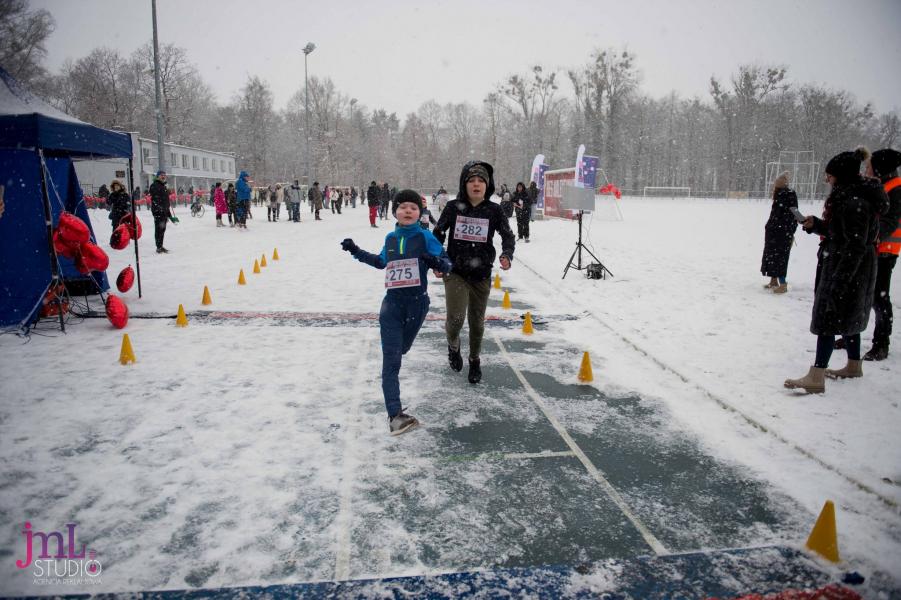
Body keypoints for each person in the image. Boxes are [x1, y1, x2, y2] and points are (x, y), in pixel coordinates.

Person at [340, 190, 452, 435]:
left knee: (401, 349)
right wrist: (355, 250)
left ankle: (396, 396)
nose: (408, 211)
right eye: (403, 207)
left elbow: (447, 263)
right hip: (391, 306)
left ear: (420, 212)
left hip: (417, 305)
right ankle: (395, 415)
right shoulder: (391, 238)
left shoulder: (425, 237)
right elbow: (381, 262)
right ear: (395, 212)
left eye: (413, 207)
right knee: (391, 361)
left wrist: (435, 263)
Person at [785, 147, 889, 393]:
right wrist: (817, 225)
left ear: (841, 176)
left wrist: (839, 281)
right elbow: (844, 234)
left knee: (829, 319)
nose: (827, 179)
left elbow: (854, 244)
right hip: (852, 266)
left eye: (830, 175)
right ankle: (854, 365)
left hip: (847, 268)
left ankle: (816, 376)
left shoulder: (854, 203)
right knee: (850, 317)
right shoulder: (853, 197)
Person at [433, 160, 515, 384]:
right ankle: (453, 346)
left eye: (481, 181)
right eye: (472, 180)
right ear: (464, 184)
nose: (477, 185)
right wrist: (437, 260)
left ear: (488, 185)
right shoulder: (453, 207)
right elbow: (438, 234)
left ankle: (475, 359)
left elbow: (508, 236)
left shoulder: (494, 210)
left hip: (481, 274)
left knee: (477, 323)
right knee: (457, 319)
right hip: (456, 271)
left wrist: (507, 254)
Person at [864, 148, 901, 360]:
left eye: (869, 166)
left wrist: (874, 236)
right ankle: (853, 334)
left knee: (879, 297)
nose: (867, 170)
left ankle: (881, 343)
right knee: (868, 295)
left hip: (885, 251)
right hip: (875, 248)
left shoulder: (895, 189)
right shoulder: (882, 186)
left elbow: (890, 220)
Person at [761, 171, 798, 293]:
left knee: (780, 257)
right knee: (773, 256)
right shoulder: (780, 196)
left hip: (782, 233)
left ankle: (783, 284)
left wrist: (790, 230)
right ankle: (773, 281)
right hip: (775, 232)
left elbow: (794, 214)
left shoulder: (788, 195)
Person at [149, 170, 172, 253]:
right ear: (157, 176)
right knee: (159, 229)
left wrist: (169, 214)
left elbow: (166, 201)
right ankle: (158, 247)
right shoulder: (155, 185)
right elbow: (155, 200)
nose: (163, 176)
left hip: (164, 212)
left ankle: (160, 246)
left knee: (162, 229)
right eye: (161, 175)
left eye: (164, 175)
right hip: (158, 212)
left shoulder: (163, 186)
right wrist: (160, 209)